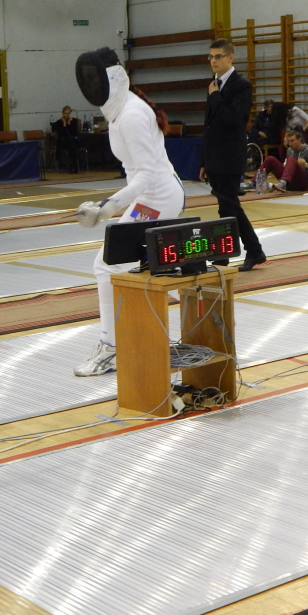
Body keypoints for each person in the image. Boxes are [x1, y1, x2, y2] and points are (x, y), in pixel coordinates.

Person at [72, 47, 184, 377]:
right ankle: (169, 328)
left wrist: (107, 207)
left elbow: (146, 175)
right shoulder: (121, 109)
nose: (90, 85)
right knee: (148, 267)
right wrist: (109, 206)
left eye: (94, 78)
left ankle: (111, 349)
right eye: (86, 79)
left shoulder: (132, 115)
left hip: (157, 197)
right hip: (152, 195)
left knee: (107, 263)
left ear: (112, 78)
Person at [200, 38, 266, 272]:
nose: (213, 61)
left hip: (229, 155)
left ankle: (232, 255)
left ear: (230, 57)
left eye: (218, 56)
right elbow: (209, 126)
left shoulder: (241, 85)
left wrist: (215, 96)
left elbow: (234, 119)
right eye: (211, 57)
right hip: (215, 156)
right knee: (227, 206)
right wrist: (204, 160)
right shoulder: (214, 84)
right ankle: (246, 252)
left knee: (228, 207)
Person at [51, 106, 81, 174]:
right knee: (72, 144)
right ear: (62, 113)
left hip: (72, 141)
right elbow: (62, 134)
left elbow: (74, 133)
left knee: (72, 144)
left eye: (68, 113)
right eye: (65, 113)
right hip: (63, 142)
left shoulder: (74, 121)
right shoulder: (59, 122)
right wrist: (64, 124)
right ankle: (75, 166)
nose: (67, 115)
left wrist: (69, 124)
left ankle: (73, 166)